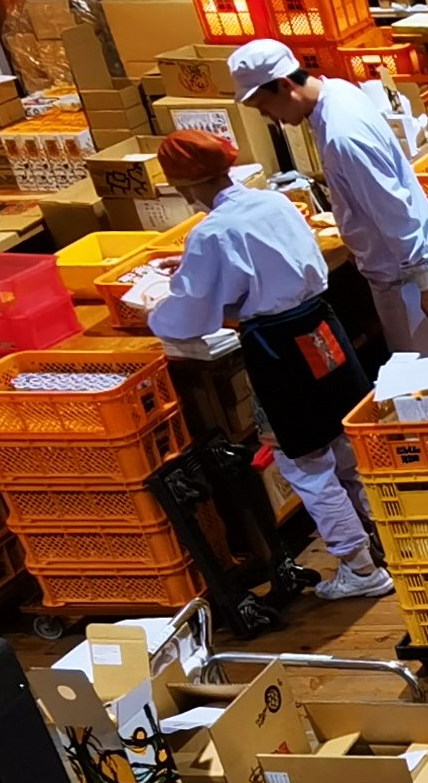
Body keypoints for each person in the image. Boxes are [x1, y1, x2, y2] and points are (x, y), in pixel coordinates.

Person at [140, 129, 390, 602]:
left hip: (279, 348)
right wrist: (198, 267)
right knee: (344, 448)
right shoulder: (274, 203)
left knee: (305, 464)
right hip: (323, 331)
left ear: (182, 186)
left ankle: (361, 571)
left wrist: (152, 310)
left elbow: (186, 318)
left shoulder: (211, 233)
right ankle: (388, 543)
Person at [230, 38, 428, 362]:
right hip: (402, 269)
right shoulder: (338, 92)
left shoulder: (343, 134)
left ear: (284, 84)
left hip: (408, 277)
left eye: (264, 104)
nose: (266, 115)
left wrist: (423, 278)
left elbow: (391, 207)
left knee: (426, 380)